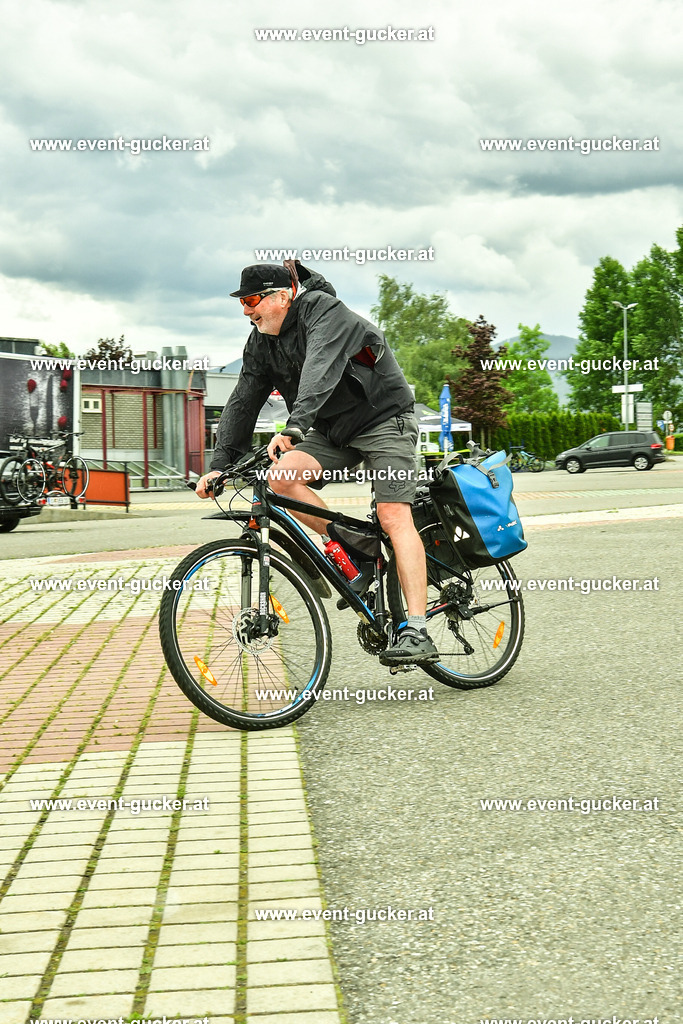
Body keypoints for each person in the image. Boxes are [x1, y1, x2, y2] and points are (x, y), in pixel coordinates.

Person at [195, 260, 438, 665]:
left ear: (283, 296)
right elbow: (243, 401)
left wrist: (295, 426)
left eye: (252, 300)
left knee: (393, 515)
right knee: (279, 479)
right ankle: (356, 546)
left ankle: (417, 629)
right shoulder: (261, 343)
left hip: (383, 419)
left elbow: (319, 368)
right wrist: (220, 465)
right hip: (331, 431)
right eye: (241, 303)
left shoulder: (324, 311)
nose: (246, 311)